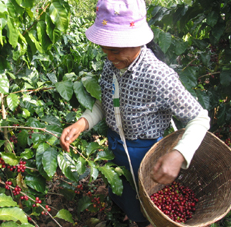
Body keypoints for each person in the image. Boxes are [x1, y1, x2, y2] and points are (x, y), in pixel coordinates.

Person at [60, 0, 210, 226]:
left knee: (148, 203)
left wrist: (179, 154)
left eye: (115, 50)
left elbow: (199, 118)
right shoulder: (113, 65)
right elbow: (107, 102)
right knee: (124, 193)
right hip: (116, 148)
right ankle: (127, 211)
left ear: (137, 41)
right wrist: (82, 123)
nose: (109, 56)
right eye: (105, 48)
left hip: (146, 153)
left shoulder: (158, 76)